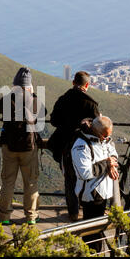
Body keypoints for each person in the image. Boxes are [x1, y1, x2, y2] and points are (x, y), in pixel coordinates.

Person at [47, 71, 100, 221]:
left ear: (73, 82)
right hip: (84, 148)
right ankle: (88, 214)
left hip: (65, 146)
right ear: (87, 85)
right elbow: (98, 127)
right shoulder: (91, 104)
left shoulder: (63, 99)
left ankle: (73, 213)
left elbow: (54, 121)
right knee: (86, 177)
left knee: (69, 180)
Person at [0, 67, 46, 225]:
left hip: (9, 147)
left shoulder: (7, 99)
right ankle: (31, 217)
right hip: (29, 148)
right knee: (30, 183)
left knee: (8, 182)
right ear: (29, 85)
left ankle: (4, 217)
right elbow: (43, 113)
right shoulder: (34, 100)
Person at [71, 116, 119, 252]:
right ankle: (91, 253)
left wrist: (112, 165)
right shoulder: (81, 145)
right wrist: (107, 163)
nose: (107, 138)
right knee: (92, 233)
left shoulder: (105, 140)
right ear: (96, 131)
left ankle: (93, 252)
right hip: (90, 195)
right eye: (105, 136)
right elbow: (85, 173)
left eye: (109, 135)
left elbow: (113, 154)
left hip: (103, 192)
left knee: (97, 229)